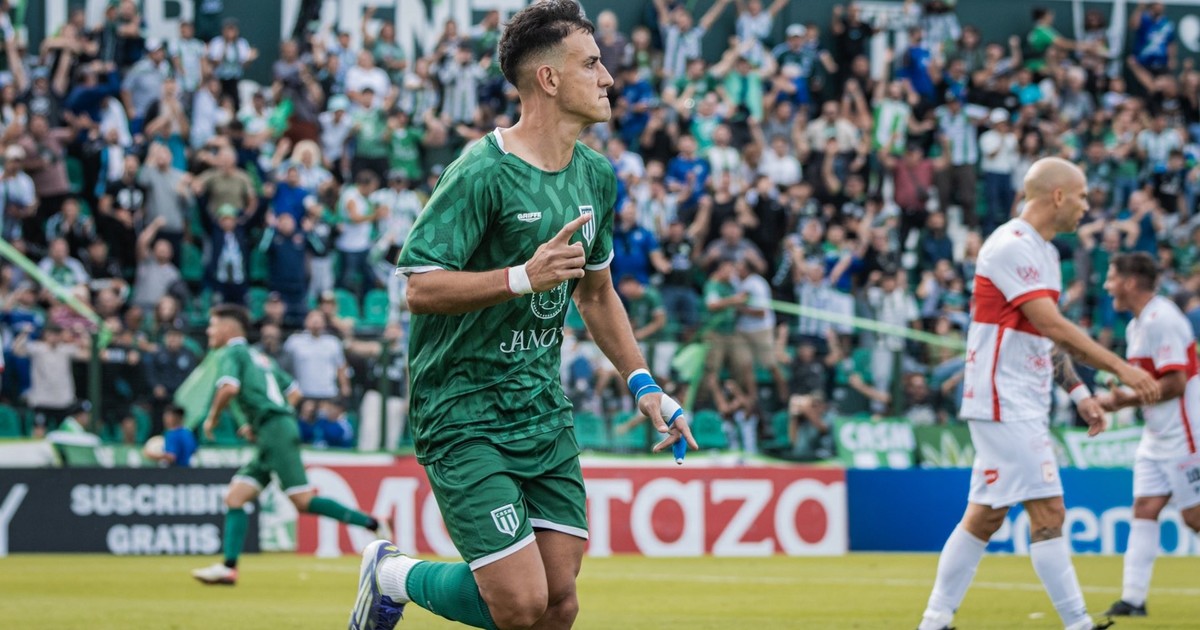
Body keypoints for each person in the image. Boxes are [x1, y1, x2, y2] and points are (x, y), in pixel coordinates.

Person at [348, 3, 697, 630]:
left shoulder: (596, 176)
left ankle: (395, 577)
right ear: (549, 79)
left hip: (540, 409)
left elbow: (596, 294)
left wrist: (645, 385)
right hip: (462, 409)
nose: (608, 78)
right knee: (519, 603)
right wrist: (522, 277)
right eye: (591, 64)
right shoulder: (481, 171)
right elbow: (420, 288)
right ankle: (392, 574)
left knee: (559, 604)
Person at [916, 157, 1160, 630]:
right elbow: (1052, 324)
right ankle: (1078, 624)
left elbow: (1042, 338)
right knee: (1049, 512)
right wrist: (1121, 368)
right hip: (1002, 397)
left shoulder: (1045, 254)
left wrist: (1079, 392)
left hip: (1021, 397)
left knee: (984, 517)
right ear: (1058, 196)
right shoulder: (1010, 245)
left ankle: (935, 621)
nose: (1087, 207)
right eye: (1083, 196)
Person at [192, 305, 388, 586]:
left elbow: (229, 388)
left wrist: (212, 419)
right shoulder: (259, 357)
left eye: (212, 325)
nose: (209, 331)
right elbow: (294, 392)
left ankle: (373, 522)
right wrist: (268, 418)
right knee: (235, 497)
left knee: (303, 501)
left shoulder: (232, 353)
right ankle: (228, 568)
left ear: (228, 327)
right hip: (272, 428)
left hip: (274, 430)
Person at [1095, 252, 1200, 618]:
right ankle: (1133, 599)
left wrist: (1124, 400)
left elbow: (1175, 383)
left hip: (1186, 434)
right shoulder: (1136, 326)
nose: (1107, 286)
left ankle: (1133, 599)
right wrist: (1118, 400)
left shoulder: (1163, 319)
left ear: (1130, 281)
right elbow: (1152, 384)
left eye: (1112, 278)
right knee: (1145, 508)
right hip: (1157, 436)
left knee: (1194, 518)